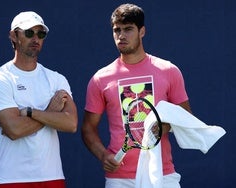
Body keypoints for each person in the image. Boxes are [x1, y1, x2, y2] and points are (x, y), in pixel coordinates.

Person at [81, 3, 191, 188]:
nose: (121, 36)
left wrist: (163, 127)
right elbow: (88, 128)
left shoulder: (169, 71)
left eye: (128, 29)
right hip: (120, 178)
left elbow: (185, 117)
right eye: (117, 30)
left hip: (163, 175)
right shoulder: (100, 79)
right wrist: (103, 155)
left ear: (142, 31)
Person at [0, 11, 78, 188]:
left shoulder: (56, 79)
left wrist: (29, 113)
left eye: (40, 34)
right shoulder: (0, 79)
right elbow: (14, 130)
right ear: (13, 35)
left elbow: (71, 124)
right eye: (29, 33)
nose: (35, 39)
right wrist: (51, 112)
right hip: (12, 179)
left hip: (53, 177)